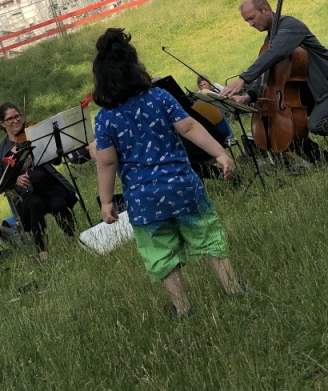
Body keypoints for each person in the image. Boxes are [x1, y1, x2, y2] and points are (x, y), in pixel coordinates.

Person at [92, 28, 249, 318]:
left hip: (144, 200)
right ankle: (232, 287)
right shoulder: (159, 97)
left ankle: (182, 307)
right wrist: (220, 154)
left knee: (160, 252)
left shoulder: (104, 119)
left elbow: (107, 163)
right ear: (135, 68)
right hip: (182, 186)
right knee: (207, 234)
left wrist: (106, 201)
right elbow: (188, 127)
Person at [220, 0, 328, 141]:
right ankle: (313, 154)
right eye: (247, 21)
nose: (251, 24)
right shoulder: (270, 39)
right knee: (280, 125)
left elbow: (275, 53)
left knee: (316, 123)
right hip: (312, 94)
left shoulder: (291, 27)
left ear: (265, 9)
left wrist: (243, 78)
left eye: (252, 18)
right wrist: (248, 96)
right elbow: (268, 76)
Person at [0, 102, 77, 261]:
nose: (16, 120)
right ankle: (43, 254)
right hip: (25, 193)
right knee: (36, 204)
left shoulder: (33, 135)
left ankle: (72, 240)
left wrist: (56, 148)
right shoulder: (1, 150)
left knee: (58, 203)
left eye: (17, 116)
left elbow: (56, 161)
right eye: (10, 119)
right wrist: (14, 181)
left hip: (47, 183)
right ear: (2, 123)